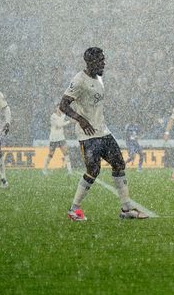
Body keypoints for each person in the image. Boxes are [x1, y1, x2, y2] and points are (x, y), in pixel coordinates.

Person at [60, 47, 149, 220]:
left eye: (103, 59)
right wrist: (80, 119)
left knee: (119, 164)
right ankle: (74, 209)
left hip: (103, 131)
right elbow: (63, 105)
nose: (104, 63)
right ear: (90, 62)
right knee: (93, 170)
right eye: (100, 60)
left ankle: (126, 209)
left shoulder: (99, 78)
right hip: (88, 135)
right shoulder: (78, 80)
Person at [43, 107, 73, 175]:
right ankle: (44, 169)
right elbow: (59, 125)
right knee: (50, 154)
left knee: (66, 153)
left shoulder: (63, 115)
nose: (60, 109)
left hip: (61, 138)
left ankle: (70, 171)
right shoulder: (53, 116)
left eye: (61, 108)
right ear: (56, 109)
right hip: (53, 138)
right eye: (58, 108)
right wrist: (69, 121)